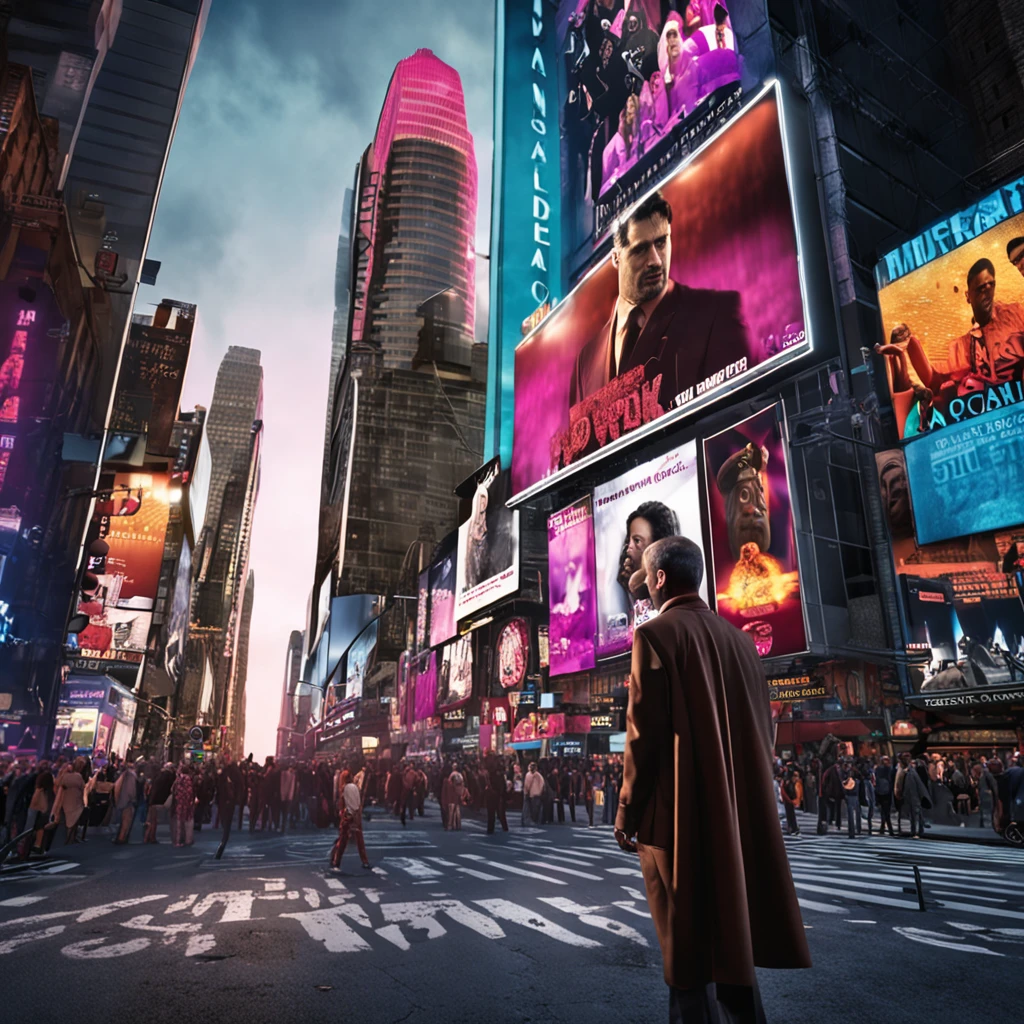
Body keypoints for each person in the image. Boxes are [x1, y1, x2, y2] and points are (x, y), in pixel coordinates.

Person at [615, 536, 809, 1022]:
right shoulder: (742, 642)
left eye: (647, 582)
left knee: (686, 962)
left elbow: (643, 738)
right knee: (733, 949)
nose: (646, 594)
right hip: (739, 817)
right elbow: (763, 734)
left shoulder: (655, 636)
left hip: (678, 822)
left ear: (660, 579)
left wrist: (626, 813)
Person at [568, 191, 751, 414]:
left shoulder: (716, 313)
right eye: (641, 249)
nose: (655, 261)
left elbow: (750, 417)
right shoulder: (584, 362)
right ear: (616, 258)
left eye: (661, 242)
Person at [331, 777, 371, 871]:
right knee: (359, 839)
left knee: (343, 838)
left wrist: (341, 813)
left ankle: (336, 861)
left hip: (348, 814)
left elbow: (343, 803)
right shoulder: (355, 787)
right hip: (356, 814)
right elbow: (358, 801)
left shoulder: (345, 788)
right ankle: (365, 861)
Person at [51, 757, 87, 845]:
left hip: (66, 800)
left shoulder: (63, 776)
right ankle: (70, 838)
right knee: (73, 820)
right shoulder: (78, 777)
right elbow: (83, 787)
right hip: (75, 800)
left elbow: (57, 785)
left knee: (68, 820)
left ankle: (68, 838)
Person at [215, 750, 244, 860]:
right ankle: (222, 843)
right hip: (223, 799)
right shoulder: (224, 771)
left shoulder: (233, 771)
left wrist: (236, 799)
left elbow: (240, 786)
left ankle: (222, 846)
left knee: (226, 824)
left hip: (228, 800)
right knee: (224, 822)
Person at [144, 763, 176, 844]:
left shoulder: (158, 775)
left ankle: (147, 836)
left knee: (151, 819)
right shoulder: (170, 776)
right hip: (161, 800)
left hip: (153, 799)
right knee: (155, 820)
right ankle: (151, 837)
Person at [902, 758, 930, 839]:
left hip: (914, 797)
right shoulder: (913, 773)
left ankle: (915, 830)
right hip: (915, 796)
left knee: (915, 815)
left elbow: (911, 787)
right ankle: (918, 830)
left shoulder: (912, 773)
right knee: (917, 814)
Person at [112, 759, 138, 844]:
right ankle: (121, 838)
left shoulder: (122, 775)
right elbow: (131, 790)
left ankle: (120, 837)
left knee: (123, 820)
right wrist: (133, 798)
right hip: (127, 801)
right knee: (126, 820)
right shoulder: (130, 776)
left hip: (121, 800)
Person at [172, 765, 196, 847]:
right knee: (188, 821)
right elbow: (189, 792)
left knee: (179, 821)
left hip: (179, 802)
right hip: (186, 803)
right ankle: (187, 839)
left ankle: (178, 840)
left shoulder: (178, 779)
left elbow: (173, 789)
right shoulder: (188, 779)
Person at [875, 755, 895, 836]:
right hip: (886, 792)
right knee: (886, 811)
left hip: (882, 792)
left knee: (884, 811)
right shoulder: (890, 769)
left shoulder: (879, 769)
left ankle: (883, 827)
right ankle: (889, 828)